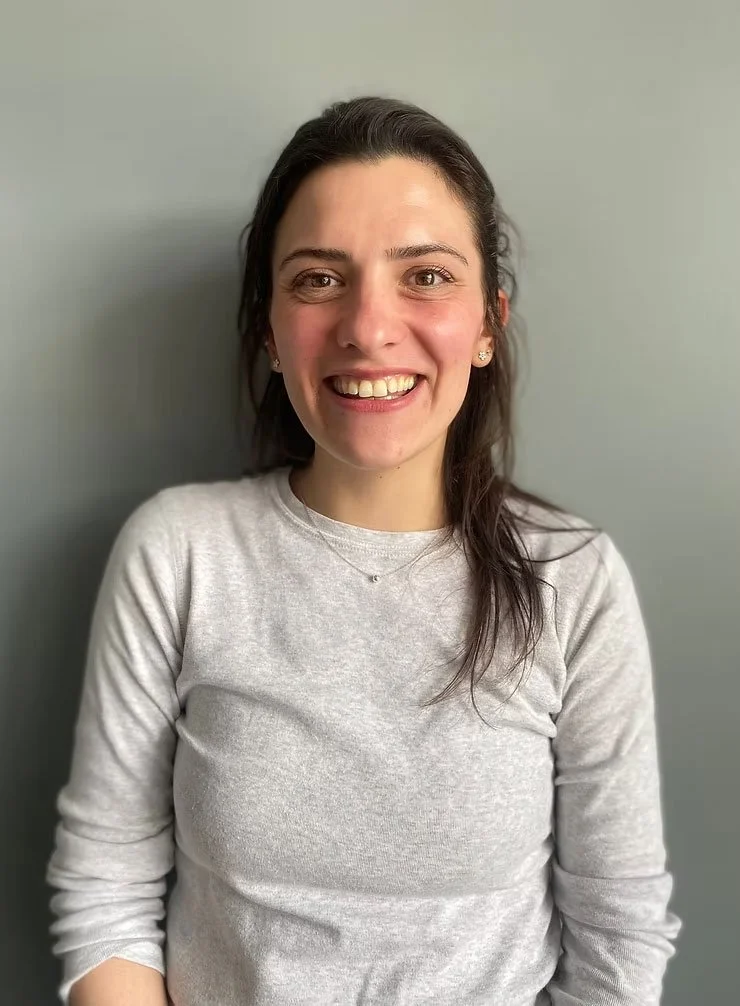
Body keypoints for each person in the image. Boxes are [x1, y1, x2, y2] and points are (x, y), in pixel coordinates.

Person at [46, 95, 681, 1006]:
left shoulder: (571, 579)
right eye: (318, 279)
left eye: (424, 276)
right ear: (270, 327)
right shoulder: (178, 552)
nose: (369, 327)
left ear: (489, 321)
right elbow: (106, 887)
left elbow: (618, 936)